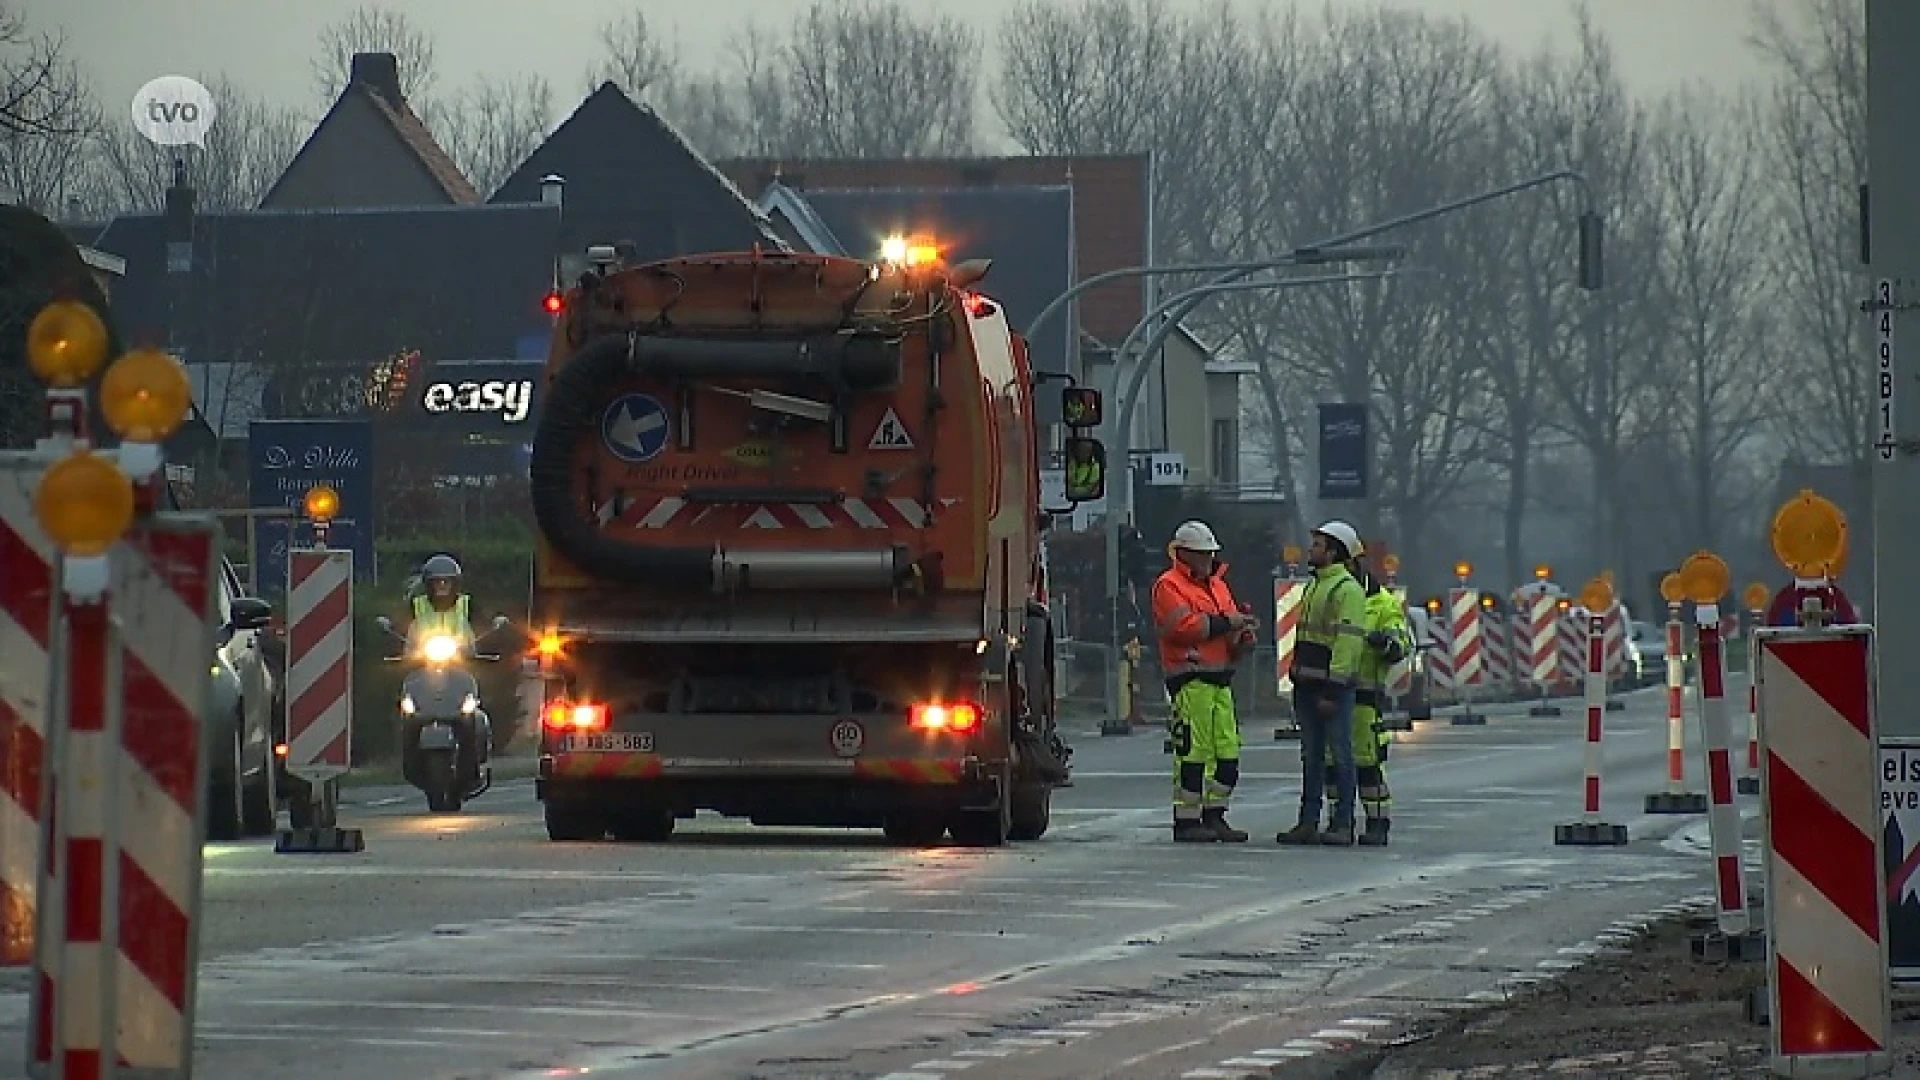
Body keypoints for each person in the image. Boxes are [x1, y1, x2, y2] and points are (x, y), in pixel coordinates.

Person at [1150, 520, 1258, 843]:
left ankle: (1215, 816)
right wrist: (1229, 623)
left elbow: (1224, 626)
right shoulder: (1168, 586)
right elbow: (1184, 628)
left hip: (1220, 680)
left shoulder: (1218, 586)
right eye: (1202, 554)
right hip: (1189, 680)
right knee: (1193, 755)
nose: (1208, 560)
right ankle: (1187, 821)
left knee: (1227, 754)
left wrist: (1242, 638)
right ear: (1183, 554)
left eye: (1210, 554)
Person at [1278, 521, 1369, 846]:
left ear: (1333, 551)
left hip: (1330, 690)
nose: (1311, 549)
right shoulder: (1316, 586)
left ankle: (1343, 823)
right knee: (1311, 756)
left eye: (1318, 545)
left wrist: (1333, 689)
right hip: (1308, 684)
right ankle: (1308, 822)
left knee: (1340, 755)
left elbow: (1347, 644)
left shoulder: (1346, 590)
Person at [1319, 550, 1410, 846]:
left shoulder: (1382, 603)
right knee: (1332, 763)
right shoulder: (1331, 594)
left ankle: (1377, 822)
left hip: (1363, 696)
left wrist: (1387, 644)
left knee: (1368, 762)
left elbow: (1401, 643)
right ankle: (1338, 819)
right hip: (1332, 691)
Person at [407, 554, 476, 654]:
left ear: (454, 584)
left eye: (446, 581)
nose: (442, 585)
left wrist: (496, 621)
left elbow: (483, 624)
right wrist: (388, 624)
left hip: (463, 662)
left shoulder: (467, 604)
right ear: (429, 584)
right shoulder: (416, 605)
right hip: (422, 662)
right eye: (437, 581)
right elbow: (400, 625)